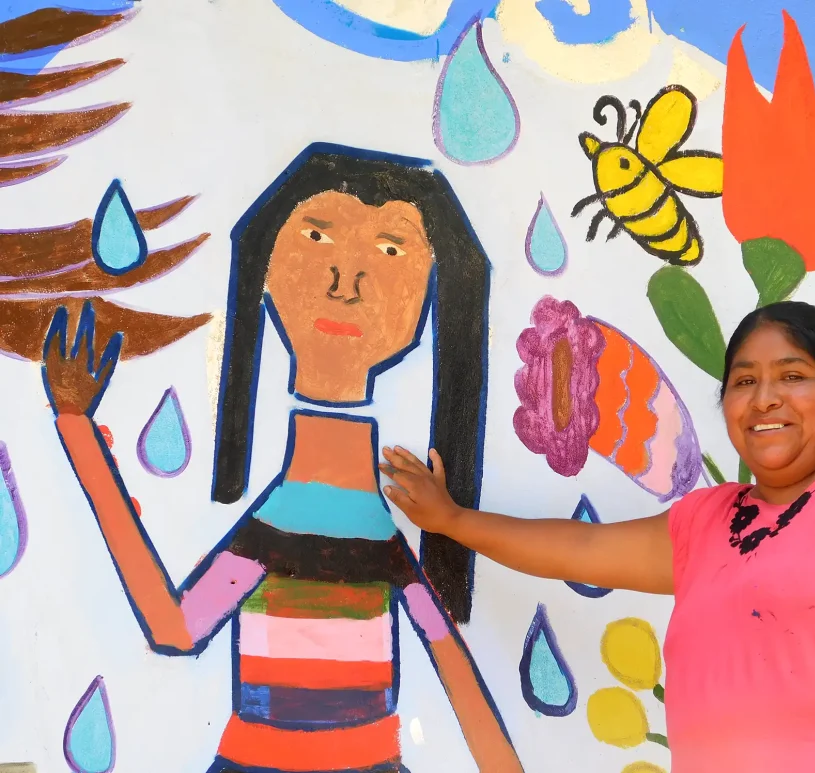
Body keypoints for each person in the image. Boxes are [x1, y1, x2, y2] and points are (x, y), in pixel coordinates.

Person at [42, 145, 522, 773]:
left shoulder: (359, 526)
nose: (345, 279)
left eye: (391, 250)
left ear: (436, 290)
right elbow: (173, 629)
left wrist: (76, 425)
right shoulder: (294, 520)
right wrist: (75, 426)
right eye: (318, 233)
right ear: (266, 265)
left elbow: (465, 691)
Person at [380, 300, 815, 773]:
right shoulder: (709, 520)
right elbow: (581, 550)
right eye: (743, 381)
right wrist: (452, 521)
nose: (765, 400)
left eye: (793, 376)